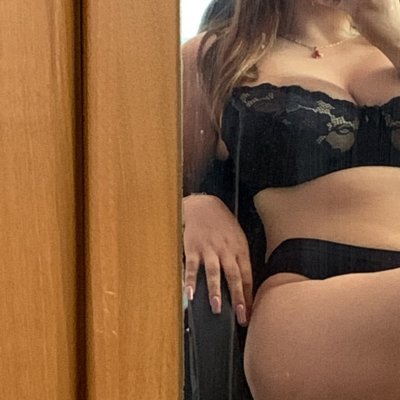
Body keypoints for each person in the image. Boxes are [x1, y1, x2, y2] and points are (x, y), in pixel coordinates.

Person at [183, 0, 400, 399]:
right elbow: (137, 187)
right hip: (306, 299)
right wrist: (191, 205)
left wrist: (386, 28)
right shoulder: (217, 55)